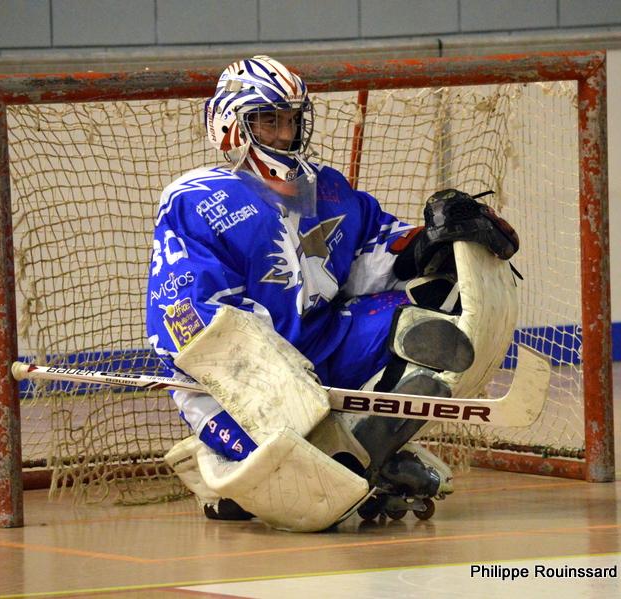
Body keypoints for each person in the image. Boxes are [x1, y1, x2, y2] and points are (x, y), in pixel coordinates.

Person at [146, 55, 519, 531]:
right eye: (267, 120)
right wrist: (274, 385)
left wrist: (431, 243)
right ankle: (263, 472)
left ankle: (360, 452)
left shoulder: (326, 187)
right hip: (235, 384)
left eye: (291, 121)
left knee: (438, 301)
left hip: (321, 344)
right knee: (313, 499)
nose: (283, 135)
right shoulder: (196, 199)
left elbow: (372, 253)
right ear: (231, 124)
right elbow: (185, 318)